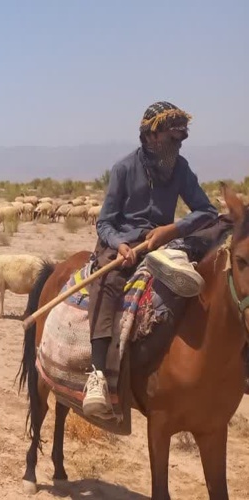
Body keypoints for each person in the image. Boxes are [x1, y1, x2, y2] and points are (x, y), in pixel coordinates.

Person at [83, 101, 219, 417]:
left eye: (182, 138)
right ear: (151, 135)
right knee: (107, 282)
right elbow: (105, 223)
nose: (178, 144)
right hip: (124, 246)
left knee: (221, 236)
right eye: (172, 138)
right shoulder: (123, 169)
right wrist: (120, 245)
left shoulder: (181, 168)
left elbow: (207, 211)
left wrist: (172, 229)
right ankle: (98, 374)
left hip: (163, 244)